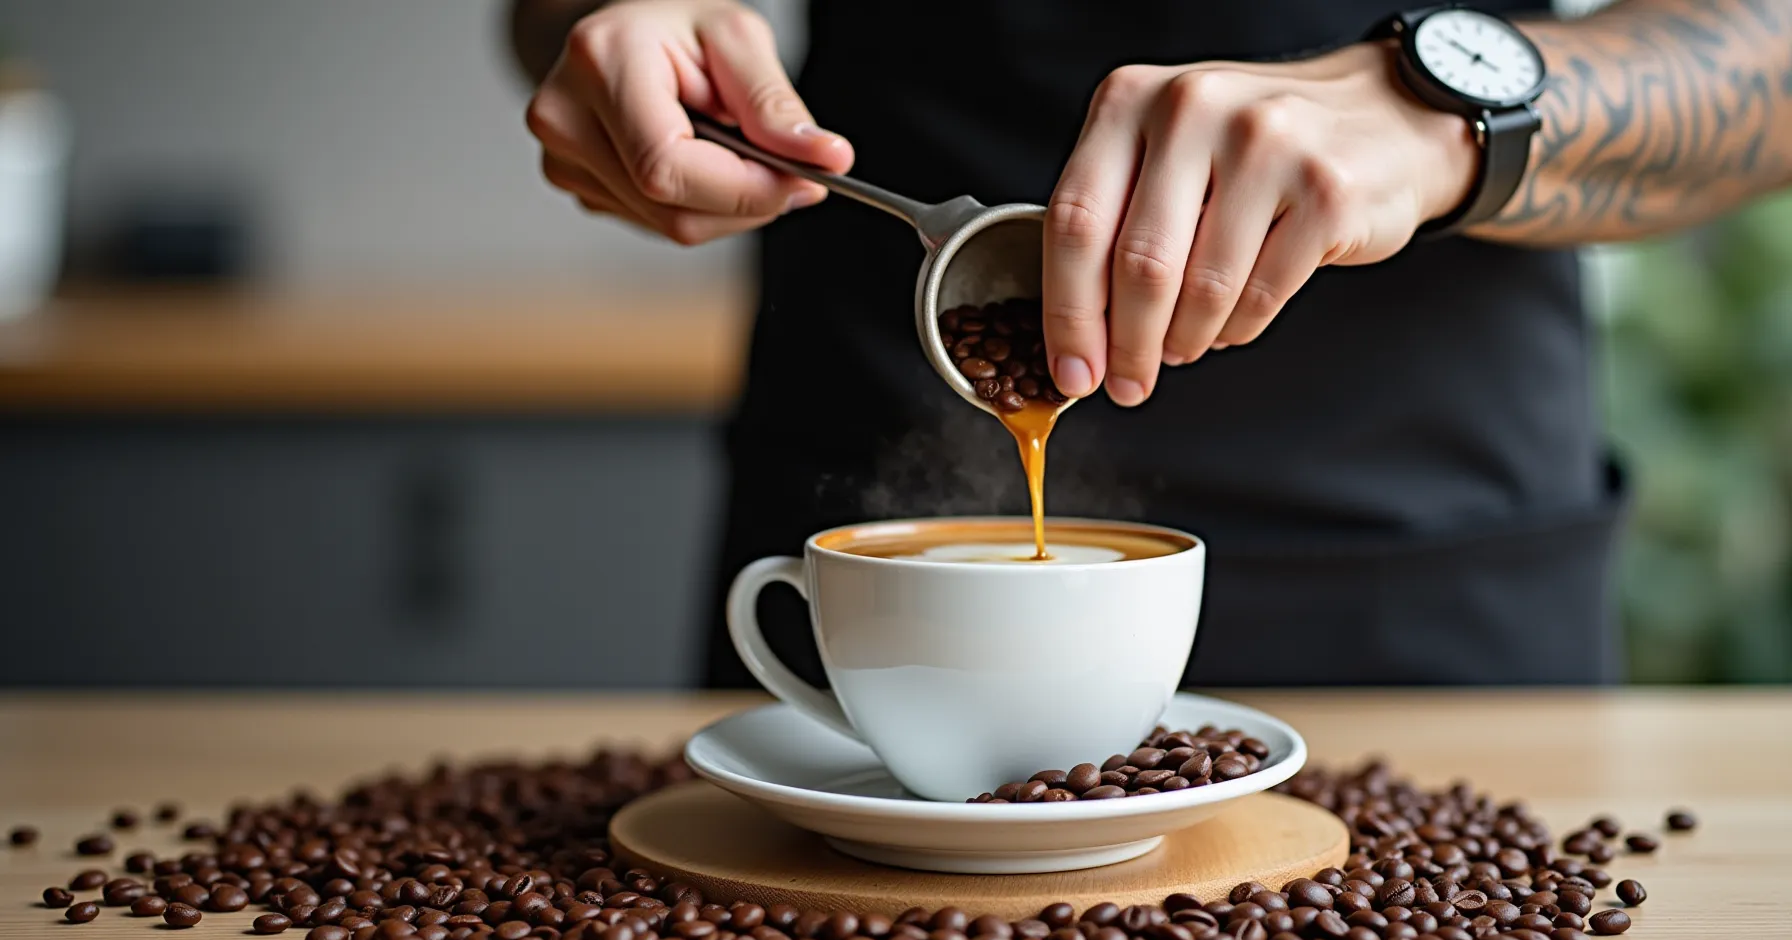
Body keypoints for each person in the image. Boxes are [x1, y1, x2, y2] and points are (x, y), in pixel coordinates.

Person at [511, 0, 1792, 685]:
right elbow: (555, 19)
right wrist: (616, 21)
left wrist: (1450, 117)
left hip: (1427, 559)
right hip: (876, 566)